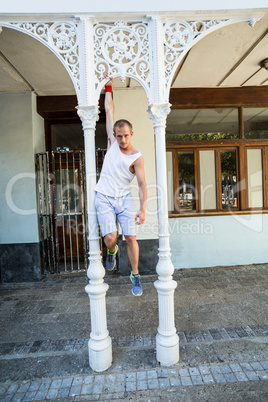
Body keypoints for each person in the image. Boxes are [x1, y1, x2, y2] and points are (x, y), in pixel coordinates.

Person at [94, 75, 147, 296]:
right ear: (114, 135)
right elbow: (109, 110)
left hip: (124, 198)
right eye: (119, 136)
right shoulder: (112, 143)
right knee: (110, 238)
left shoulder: (137, 157)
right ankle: (111, 251)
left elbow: (143, 184)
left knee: (131, 237)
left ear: (131, 134)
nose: (122, 140)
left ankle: (135, 275)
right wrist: (108, 85)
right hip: (104, 196)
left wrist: (142, 209)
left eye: (126, 136)